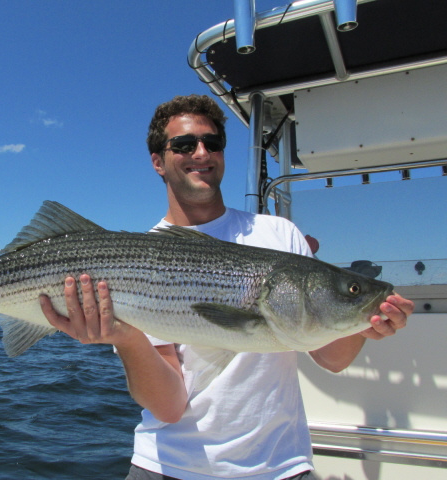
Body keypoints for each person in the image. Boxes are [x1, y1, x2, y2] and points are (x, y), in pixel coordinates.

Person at [38, 95, 414, 480]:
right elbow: (168, 408)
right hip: (168, 467)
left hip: (282, 468)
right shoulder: (138, 257)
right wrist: (127, 339)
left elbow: (333, 357)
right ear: (157, 161)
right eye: (184, 145)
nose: (201, 152)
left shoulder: (280, 235)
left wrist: (363, 321)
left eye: (212, 142)